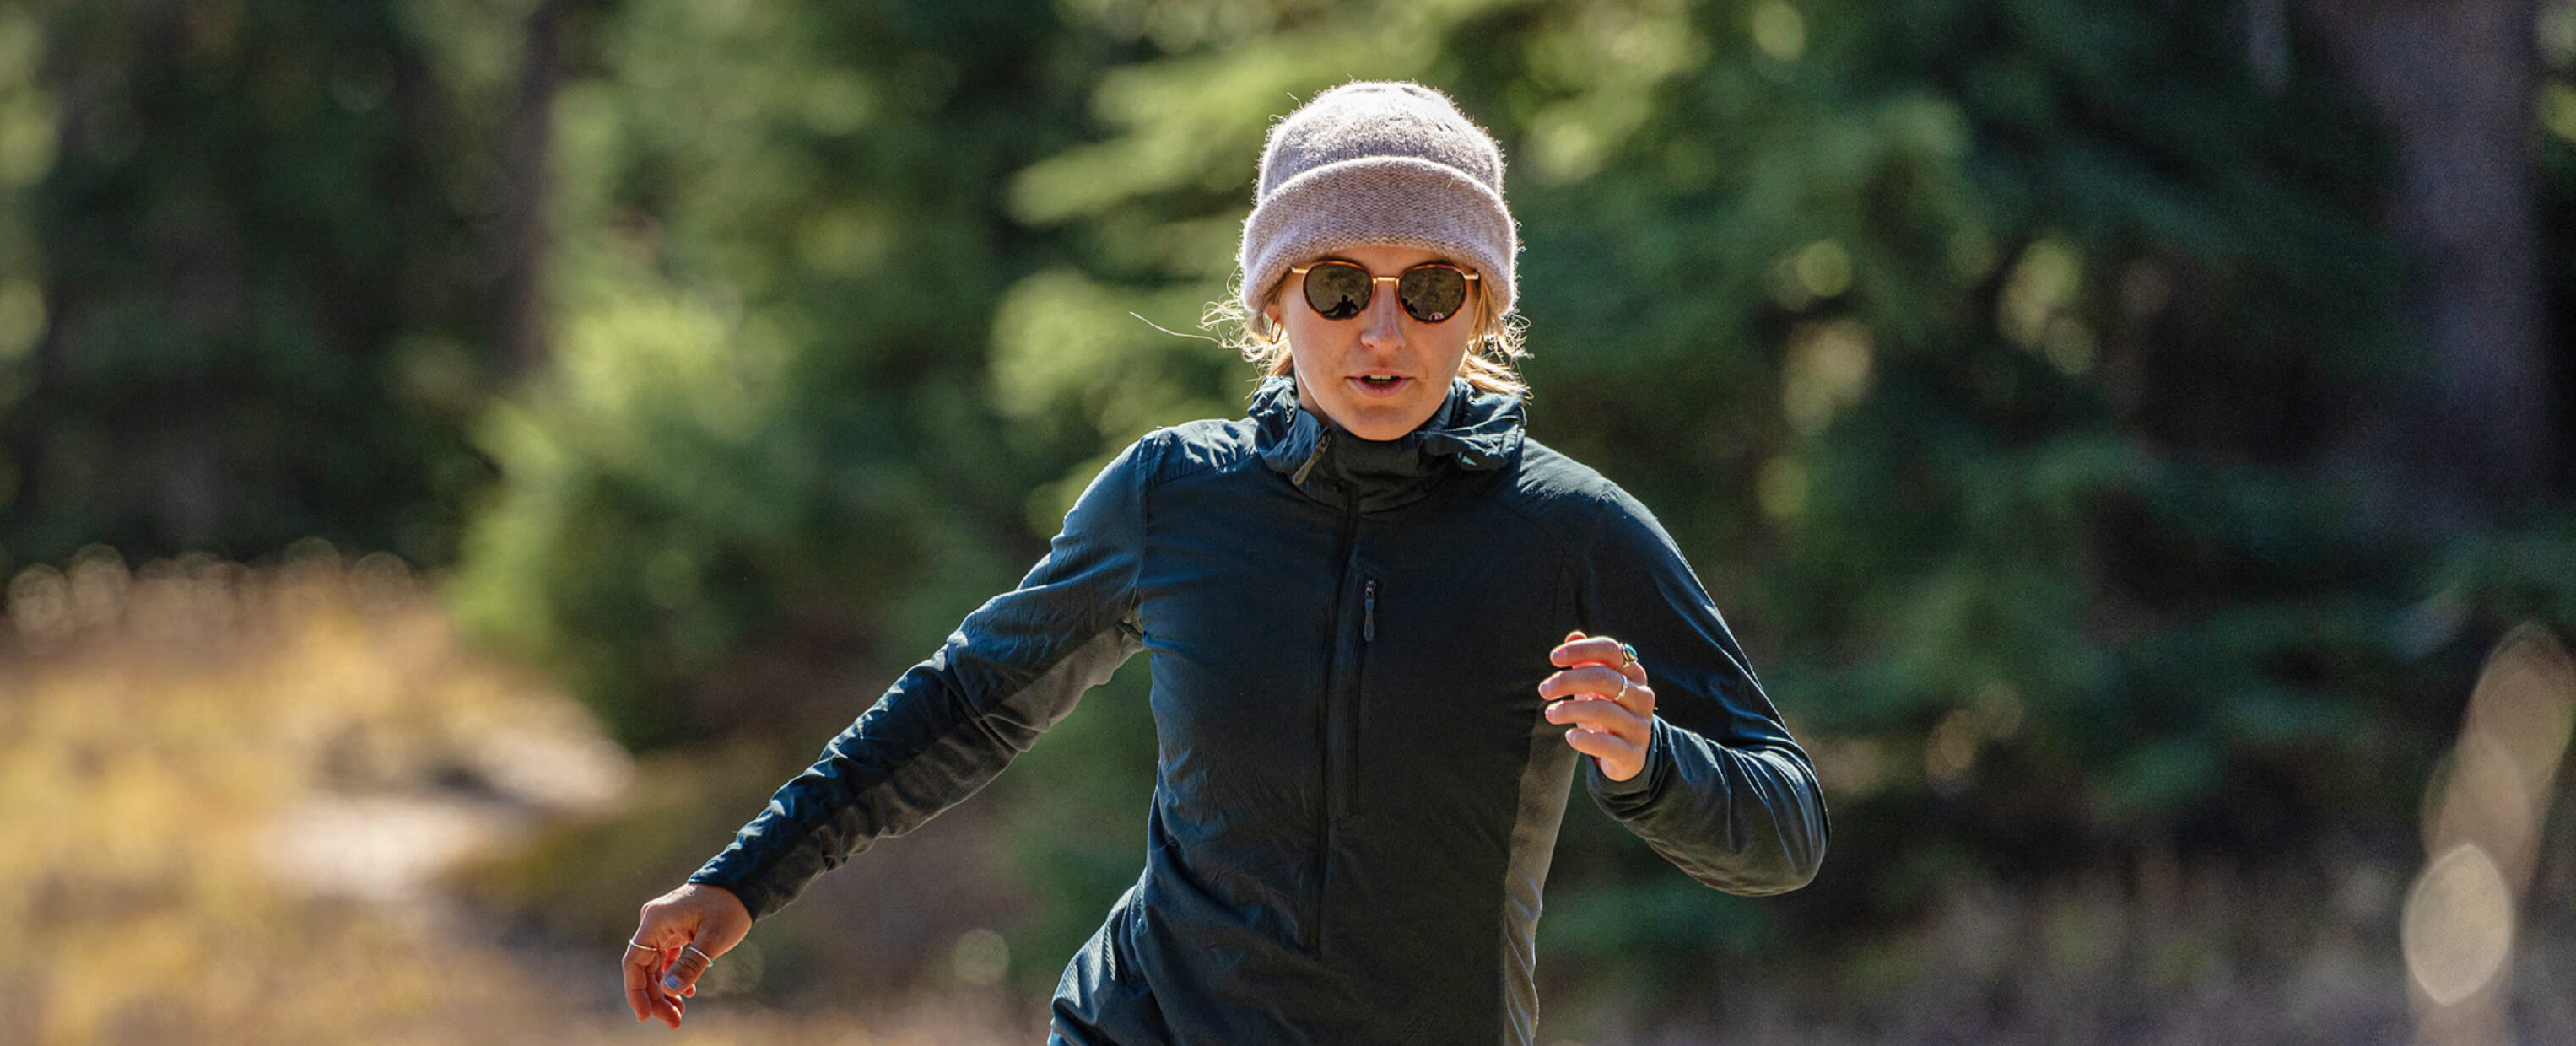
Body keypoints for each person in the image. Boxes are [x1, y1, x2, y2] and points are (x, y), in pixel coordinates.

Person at [617, 81, 1826, 1043]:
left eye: (1435, 287)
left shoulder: (1575, 531)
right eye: (1342, 286)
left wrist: (1647, 758)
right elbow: (965, 704)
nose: (1385, 331)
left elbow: (1787, 830)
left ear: (1484, 310)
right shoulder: (1171, 497)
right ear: (1272, 303)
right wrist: (747, 878)